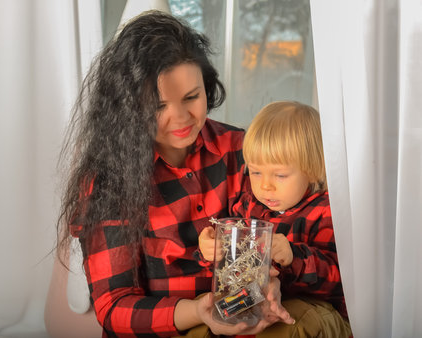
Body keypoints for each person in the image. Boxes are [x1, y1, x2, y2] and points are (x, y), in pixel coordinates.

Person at [56, 11, 294, 337]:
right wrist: (198, 311)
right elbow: (114, 306)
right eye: (158, 106)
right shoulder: (109, 181)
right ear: (129, 106)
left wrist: (268, 283)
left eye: (192, 97)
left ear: (207, 87)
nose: (181, 118)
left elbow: (267, 241)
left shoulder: (239, 150)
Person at [198, 101, 352, 337]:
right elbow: (233, 267)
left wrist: (294, 257)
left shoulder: (326, 211)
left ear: (312, 169)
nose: (265, 185)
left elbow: (339, 279)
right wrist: (211, 250)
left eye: (279, 175)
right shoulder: (249, 206)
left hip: (315, 308)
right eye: (256, 172)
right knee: (209, 309)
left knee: (293, 326)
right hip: (257, 301)